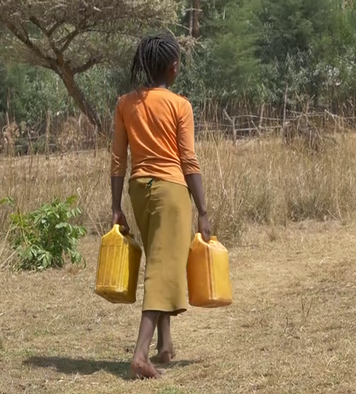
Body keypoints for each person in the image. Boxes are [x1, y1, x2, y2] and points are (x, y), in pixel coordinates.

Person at [110, 32, 211, 379]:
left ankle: (165, 345)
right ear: (172, 67)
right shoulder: (180, 105)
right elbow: (188, 160)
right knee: (163, 268)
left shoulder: (125, 103)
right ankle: (139, 355)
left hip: (139, 190)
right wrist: (204, 211)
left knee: (159, 258)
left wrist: (115, 207)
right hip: (171, 191)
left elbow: (117, 160)